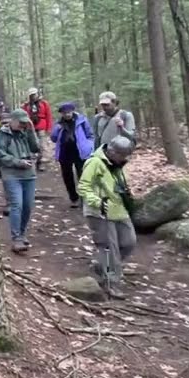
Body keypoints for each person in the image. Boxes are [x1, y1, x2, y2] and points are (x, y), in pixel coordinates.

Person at [78, 136, 137, 299]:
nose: (124, 159)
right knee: (110, 250)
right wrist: (97, 201)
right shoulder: (95, 162)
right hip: (100, 212)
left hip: (119, 209)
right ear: (112, 152)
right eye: (122, 155)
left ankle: (101, 265)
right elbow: (83, 186)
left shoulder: (117, 165)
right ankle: (111, 283)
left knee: (129, 242)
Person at [0, 108, 41, 251]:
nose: (22, 125)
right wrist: (18, 162)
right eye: (20, 123)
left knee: (27, 206)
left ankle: (22, 233)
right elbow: (0, 155)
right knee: (16, 205)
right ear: (12, 121)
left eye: (25, 123)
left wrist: (31, 131)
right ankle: (16, 238)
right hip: (11, 174)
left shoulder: (25, 132)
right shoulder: (2, 134)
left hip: (29, 174)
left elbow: (36, 148)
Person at [50, 102, 94, 208]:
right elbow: (54, 138)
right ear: (62, 114)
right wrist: (57, 129)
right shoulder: (59, 123)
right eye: (65, 113)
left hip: (80, 152)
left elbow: (90, 134)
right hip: (64, 152)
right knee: (67, 176)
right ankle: (73, 198)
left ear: (73, 111)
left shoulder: (82, 120)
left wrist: (89, 146)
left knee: (83, 175)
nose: (67, 115)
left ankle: (85, 199)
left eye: (69, 112)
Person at [23, 88, 53, 172]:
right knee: (33, 145)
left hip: (42, 126)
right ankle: (32, 162)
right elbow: (23, 116)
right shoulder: (26, 105)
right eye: (31, 95)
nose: (33, 96)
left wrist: (49, 128)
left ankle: (41, 163)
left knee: (42, 145)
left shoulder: (44, 103)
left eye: (35, 94)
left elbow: (49, 116)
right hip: (30, 127)